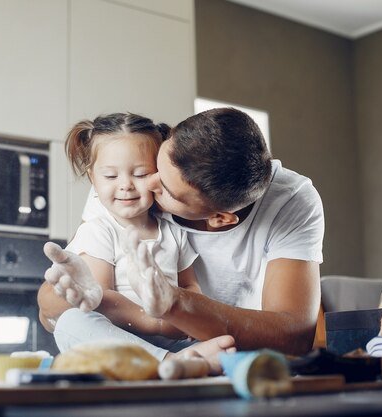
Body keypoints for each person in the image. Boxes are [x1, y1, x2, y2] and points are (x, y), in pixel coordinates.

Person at [39, 107, 324, 356]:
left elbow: (293, 335)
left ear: (219, 219)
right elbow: (51, 309)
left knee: (235, 355)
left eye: (165, 188)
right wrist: (81, 298)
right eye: (154, 168)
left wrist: (174, 306)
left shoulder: (290, 201)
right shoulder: (127, 177)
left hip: (210, 342)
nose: (144, 183)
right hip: (130, 340)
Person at [42, 113, 236, 372]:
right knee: (73, 322)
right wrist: (157, 323)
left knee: (227, 341)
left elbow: (189, 284)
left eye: (141, 174)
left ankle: (178, 362)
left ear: (160, 175)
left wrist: (188, 321)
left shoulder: (173, 230)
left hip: (172, 339)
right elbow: (102, 300)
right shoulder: (99, 230)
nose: (126, 186)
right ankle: (167, 364)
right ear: (92, 178)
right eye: (110, 176)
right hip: (119, 342)